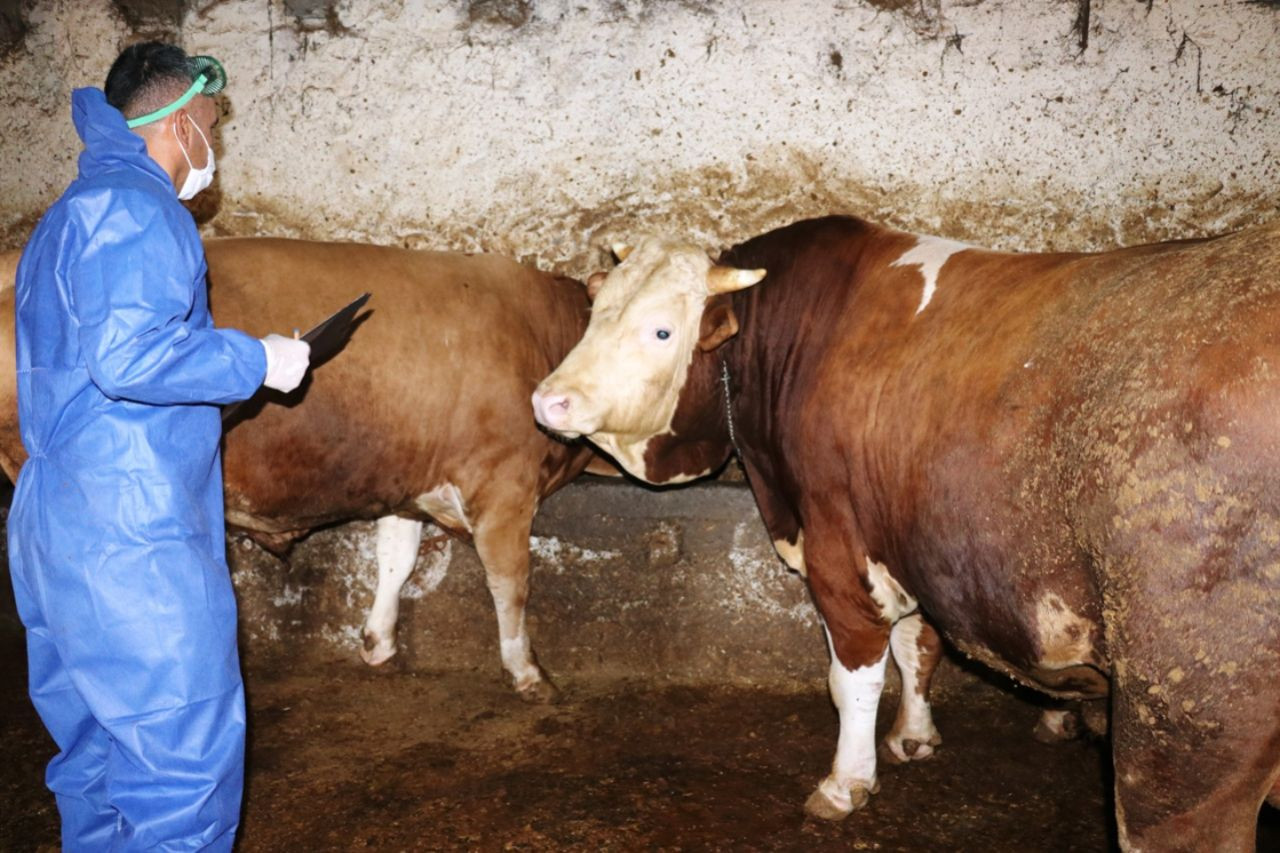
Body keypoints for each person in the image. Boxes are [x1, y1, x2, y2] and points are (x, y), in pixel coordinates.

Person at [7, 42, 310, 850]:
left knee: (99, 758)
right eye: (209, 126)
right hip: (129, 536)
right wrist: (257, 358)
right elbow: (131, 355)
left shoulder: (66, 217)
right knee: (181, 766)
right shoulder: (140, 211)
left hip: (58, 521)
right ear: (180, 125)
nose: (212, 147)